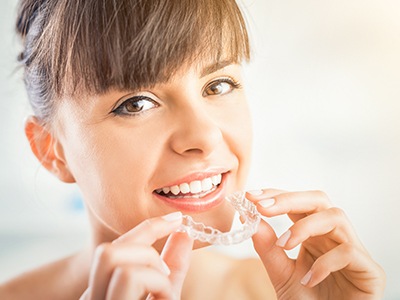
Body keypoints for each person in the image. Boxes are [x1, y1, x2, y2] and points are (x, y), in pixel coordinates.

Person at [0, 0, 385, 299]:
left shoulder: (303, 292)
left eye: (218, 85)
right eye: (136, 103)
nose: (204, 136)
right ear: (53, 150)